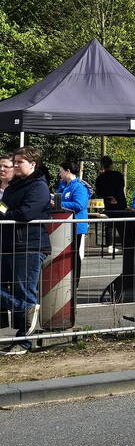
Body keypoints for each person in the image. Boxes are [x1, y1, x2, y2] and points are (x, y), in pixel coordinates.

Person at [0, 147, 51, 355]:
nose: (15, 165)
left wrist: (5, 214)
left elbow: (26, 213)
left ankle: (24, 341)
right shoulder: (14, 186)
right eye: (15, 161)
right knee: (13, 290)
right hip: (9, 244)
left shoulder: (38, 186)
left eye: (19, 162)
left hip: (29, 245)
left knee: (25, 290)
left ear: (33, 164)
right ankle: (22, 308)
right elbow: (3, 207)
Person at [56, 162, 91, 289]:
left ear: (68, 171)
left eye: (61, 171)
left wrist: (59, 204)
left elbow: (79, 205)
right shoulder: (64, 186)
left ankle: (74, 283)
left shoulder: (79, 187)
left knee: (73, 254)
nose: (59, 174)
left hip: (76, 226)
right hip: (65, 225)